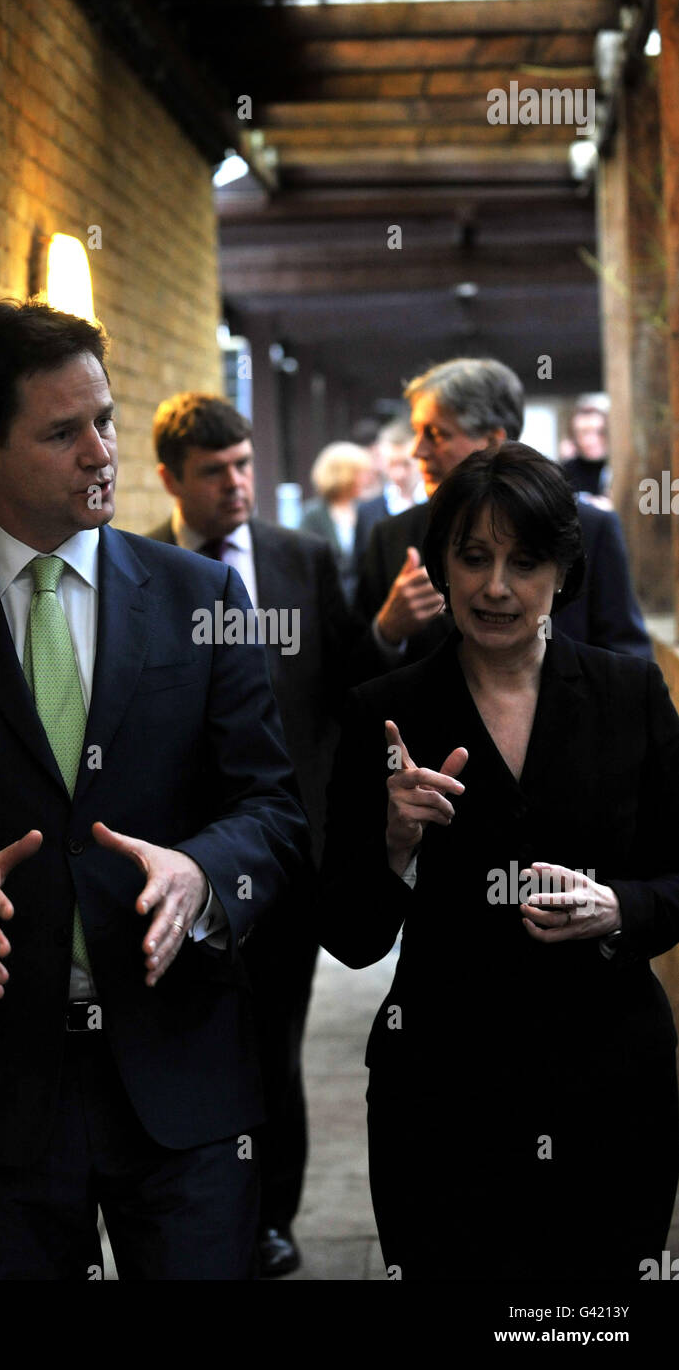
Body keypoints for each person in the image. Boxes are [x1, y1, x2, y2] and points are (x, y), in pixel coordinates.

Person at [0, 301, 310, 1282]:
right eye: (63, 431)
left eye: (107, 419)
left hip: (187, 1078)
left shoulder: (202, 599)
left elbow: (275, 812)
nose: (101, 452)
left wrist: (201, 872)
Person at [318, 443, 679, 1280]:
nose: (494, 587)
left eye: (523, 561)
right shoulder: (384, 713)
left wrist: (620, 909)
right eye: (472, 558)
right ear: (439, 563)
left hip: (608, 1083)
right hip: (442, 1091)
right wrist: (394, 843)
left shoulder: (630, 695)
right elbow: (348, 932)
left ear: (562, 569)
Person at [148, 391, 381, 1276]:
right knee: (188, 1047)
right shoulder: (132, 562)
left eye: (245, 465)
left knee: (274, 1048)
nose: (237, 484)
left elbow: (351, 688)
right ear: (172, 478)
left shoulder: (302, 559)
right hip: (170, 862)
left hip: (284, 858)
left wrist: (389, 633)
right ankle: (198, 1215)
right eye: (215, 472)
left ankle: (270, 1221)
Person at [357, 358, 651, 665]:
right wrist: (386, 631)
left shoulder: (589, 529)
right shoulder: (391, 537)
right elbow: (346, 681)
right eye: (473, 559)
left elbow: (627, 655)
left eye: (437, 434)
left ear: (493, 440)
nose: (418, 451)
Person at [299, 441, 373, 604]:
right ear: (344, 475)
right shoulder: (314, 515)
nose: (367, 479)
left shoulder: (367, 510)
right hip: (326, 603)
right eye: (360, 473)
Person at [354, 420, 427, 565]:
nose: (399, 474)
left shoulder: (437, 504)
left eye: (406, 464)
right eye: (392, 464)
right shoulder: (368, 511)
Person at [561, 400, 612, 505]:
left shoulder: (617, 467)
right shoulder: (565, 472)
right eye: (584, 433)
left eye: (599, 432)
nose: (591, 440)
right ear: (573, 436)